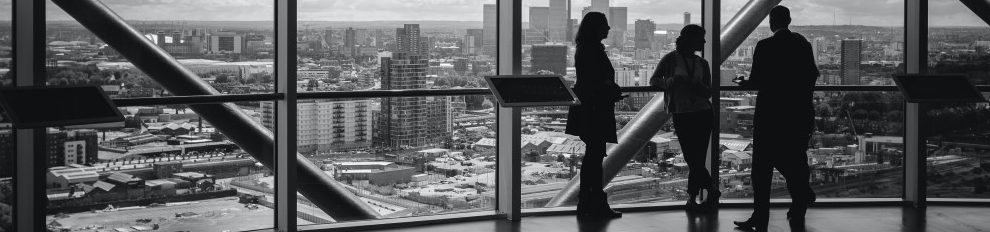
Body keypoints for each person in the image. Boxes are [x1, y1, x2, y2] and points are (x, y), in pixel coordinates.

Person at [732, 5, 819, 231]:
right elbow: (811, 77)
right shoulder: (803, 44)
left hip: (770, 117)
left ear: (772, 22)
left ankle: (760, 218)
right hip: (797, 115)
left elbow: (758, 81)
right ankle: (800, 203)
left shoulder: (765, 46)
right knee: (795, 159)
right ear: (789, 20)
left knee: (761, 170)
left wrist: (744, 83)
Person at [649, 24, 717, 212]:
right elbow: (654, 80)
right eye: (700, 38)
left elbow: (708, 91)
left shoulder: (702, 63)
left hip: (699, 112)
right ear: (690, 40)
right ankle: (709, 190)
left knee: (695, 157)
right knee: (693, 157)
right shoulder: (671, 59)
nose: (704, 42)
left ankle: (693, 197)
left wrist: (694, 84)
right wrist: (670, 82)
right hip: (686, 112)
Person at [565, 11, 624, 219]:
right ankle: (594, 203)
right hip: (595, 109)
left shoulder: (584, 49)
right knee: (594, 158)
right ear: (596, 28)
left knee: (593, 157)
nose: (609, 29)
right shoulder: (592, 50)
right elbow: (596, 80)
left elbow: (589, 80)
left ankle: (588, 202)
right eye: (605, 25)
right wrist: (610, 89)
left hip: (589, 108)